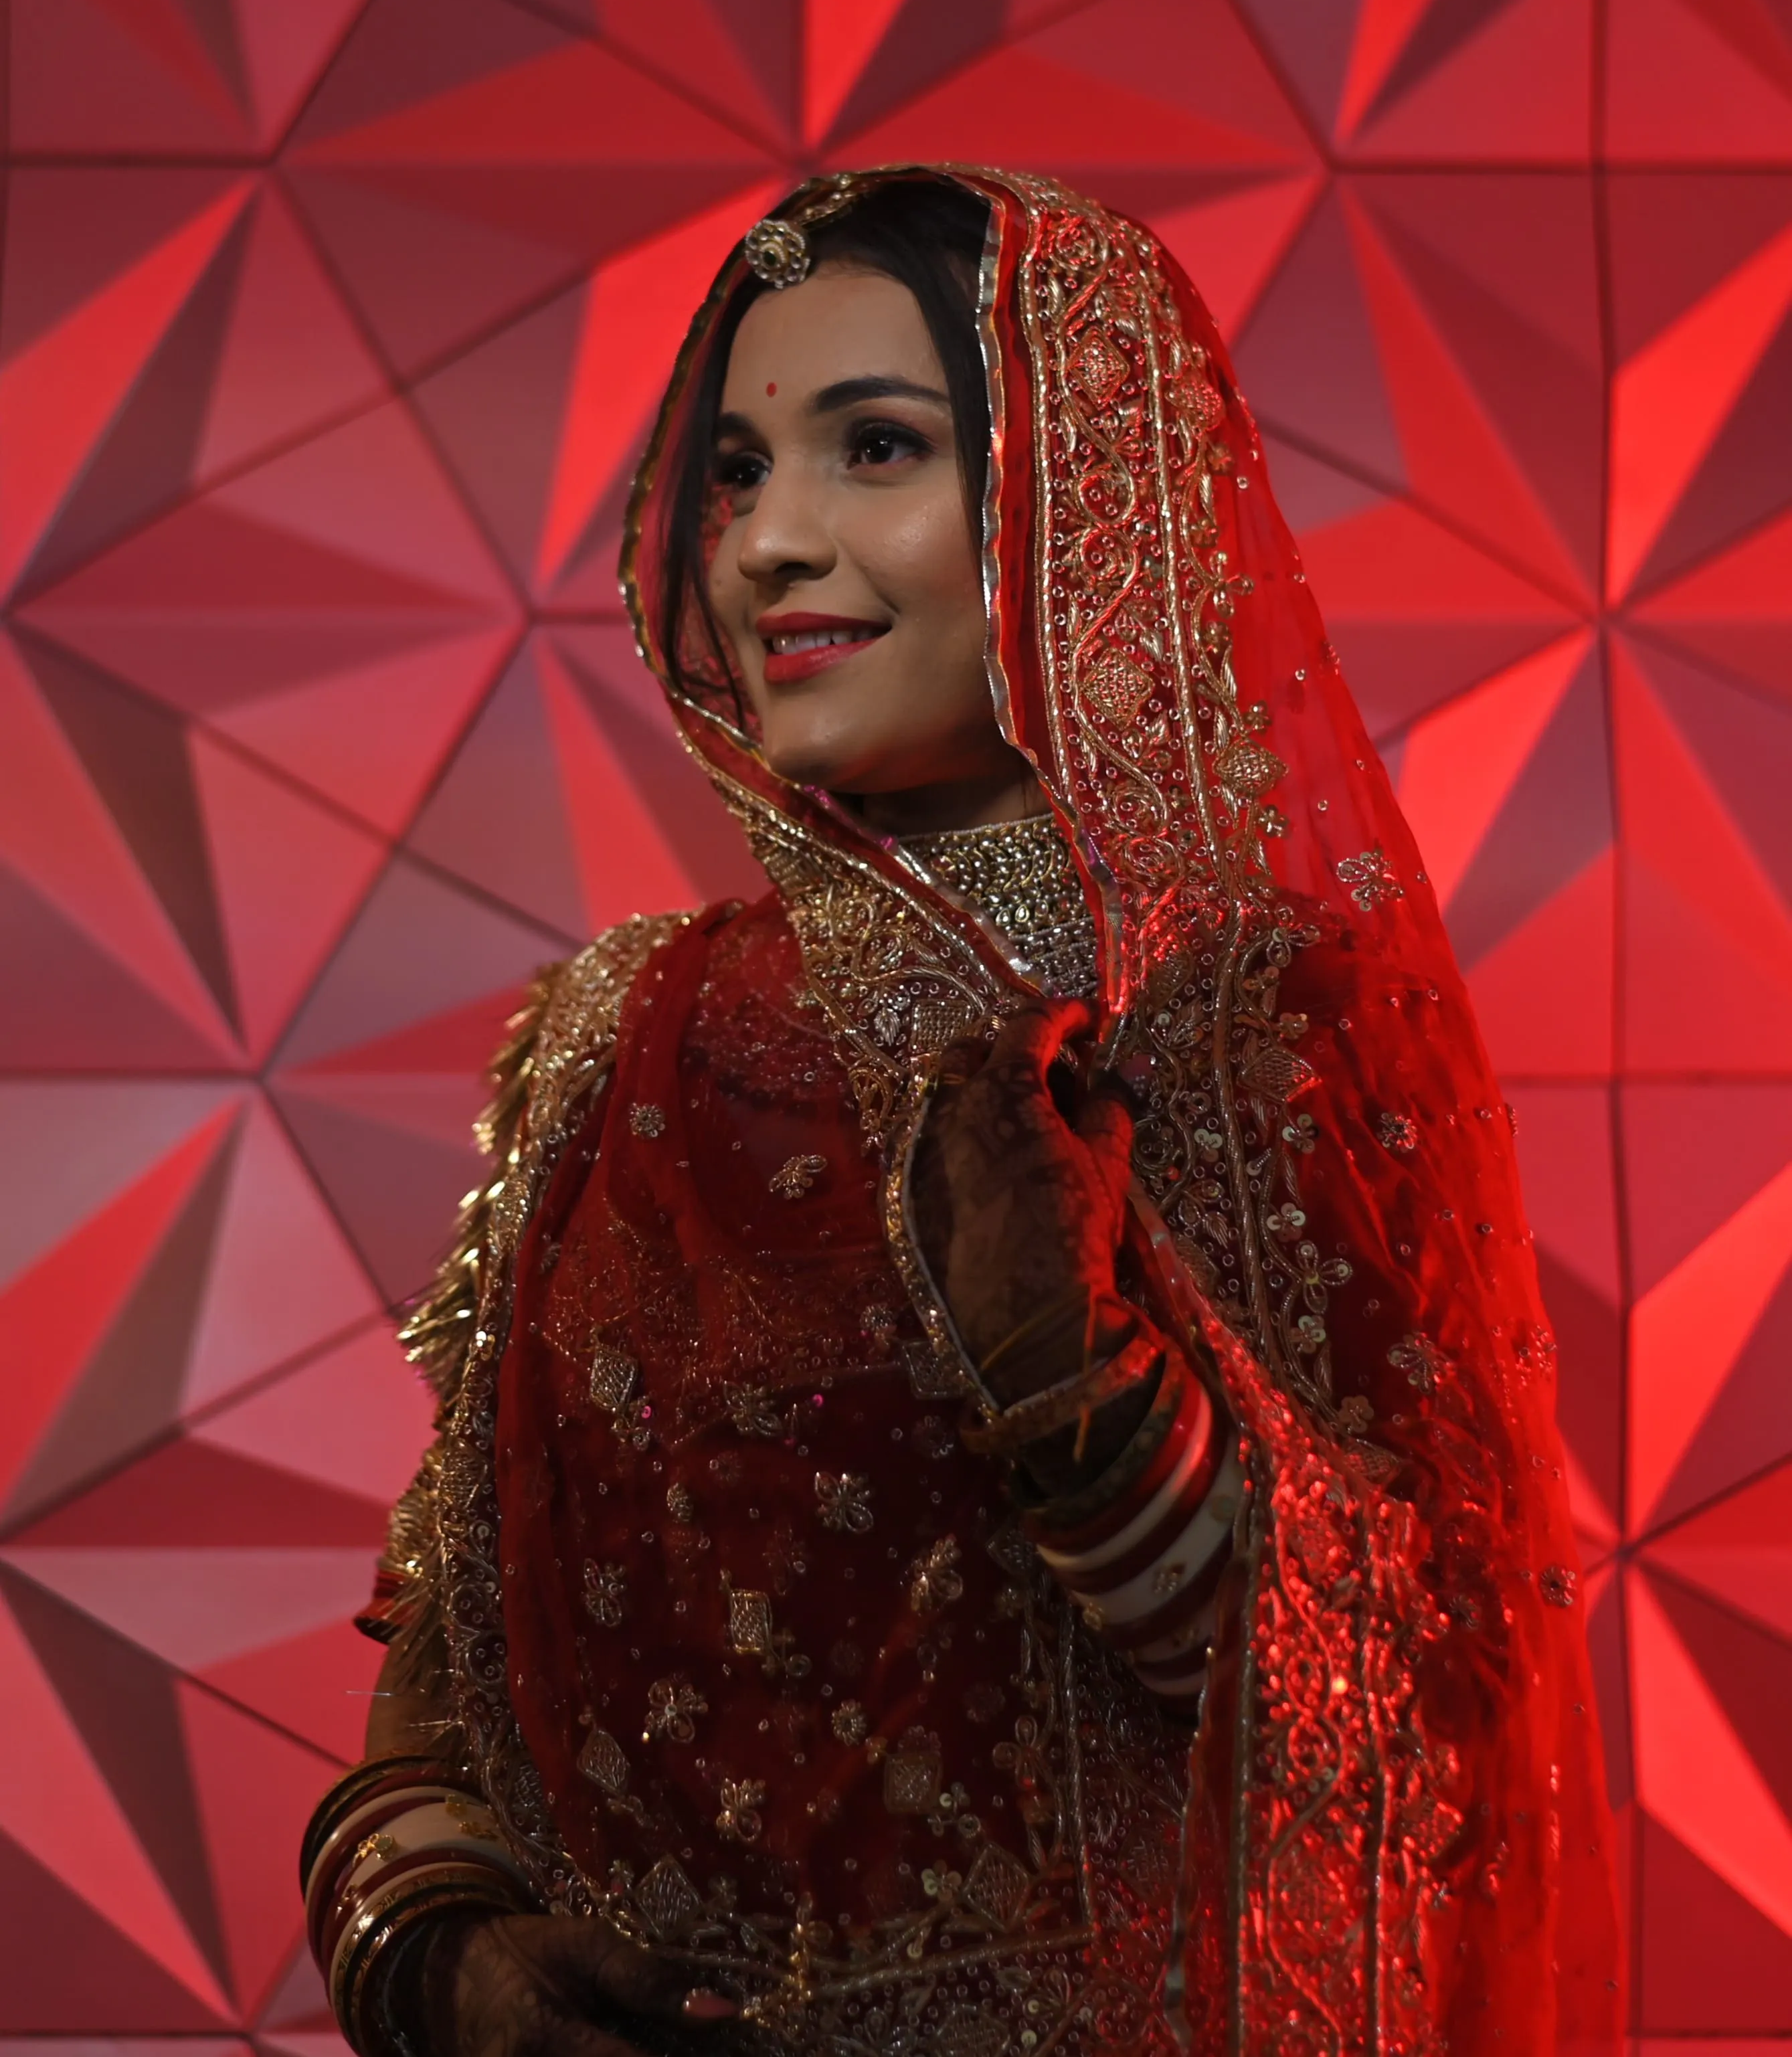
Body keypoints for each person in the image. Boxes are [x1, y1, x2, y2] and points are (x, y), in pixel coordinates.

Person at [301, 169, 1622, 2057]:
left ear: (1084, 491)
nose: (768, 541)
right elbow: (439, 1694)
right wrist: (450, 1962)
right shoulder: (612, 1037)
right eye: (739, 468)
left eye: (876, 448)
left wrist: (1063, 1374)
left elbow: (1404, 1735)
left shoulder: (1250, 1016)